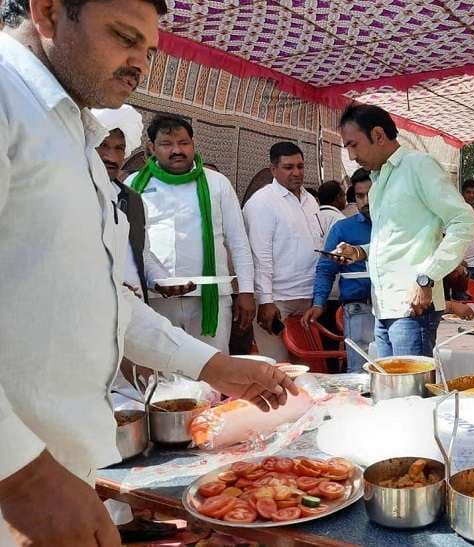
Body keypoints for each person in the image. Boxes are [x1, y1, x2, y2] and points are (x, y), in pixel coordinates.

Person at [0, 1, 297, 545]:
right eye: (122, 37)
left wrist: (211, 365)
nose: (139, 64)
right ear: (47, 13)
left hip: (61, 470)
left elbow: (103, 296)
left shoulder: (76, 137)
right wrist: (22, 479)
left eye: (149, 50)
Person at [331, 104, 474, 357]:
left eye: (353, 145)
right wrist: (359, 252)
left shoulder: (418, 166)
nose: (352, 156)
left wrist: (427, 277)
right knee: (392, 391)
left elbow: (464, 222)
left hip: (413, 308)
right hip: (383, 307)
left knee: (412, 395)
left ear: (378, 135)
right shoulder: (377, 184)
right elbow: (397, 239)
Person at [125, 115, 256, 353]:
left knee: (213, 375)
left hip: (210, 298)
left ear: (193, 144)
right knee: (163, 375)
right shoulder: (135, 184)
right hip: (156, 298)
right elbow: (128, 243)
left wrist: (246, 291)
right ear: (152, 148)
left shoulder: (217, 183)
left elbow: (238, 241)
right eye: (167, 144)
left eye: (183, 143)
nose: (177, 150)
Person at [243, 142, 322, 362]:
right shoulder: (262, 202)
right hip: (277, 301)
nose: (296, 173)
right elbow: (260, 256)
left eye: (300, 166)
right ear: (273, 169)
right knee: (278, 368)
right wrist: (266, 301)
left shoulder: (310, 201)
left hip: (308, 298)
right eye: (288, 167)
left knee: (308, 369)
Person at [92, 105, 177, 302]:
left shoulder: (133, 201)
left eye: (118, 148)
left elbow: (142, 254)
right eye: (103, 145)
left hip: (132, 311)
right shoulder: (71, 191)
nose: (110, 157)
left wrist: (160, 280)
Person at [302, 169, 374, 372]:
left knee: (397, 371)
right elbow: (326, 269)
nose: (366, 201)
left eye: (371, 194)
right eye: (360, 196)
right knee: (361, 372)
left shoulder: (397, 227)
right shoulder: (343, 229)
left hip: (397, 311)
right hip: (360, 309)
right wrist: (318, 303)